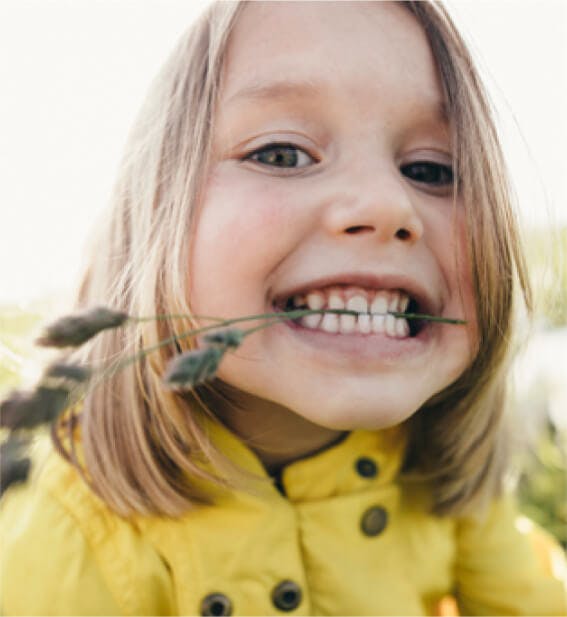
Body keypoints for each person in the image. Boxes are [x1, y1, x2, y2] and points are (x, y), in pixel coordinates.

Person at [1, 1, 565, 615]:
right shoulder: (59, 540)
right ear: (152, 216)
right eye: (282, 154)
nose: (386, 205)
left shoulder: (442, 480)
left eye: (430, 168)